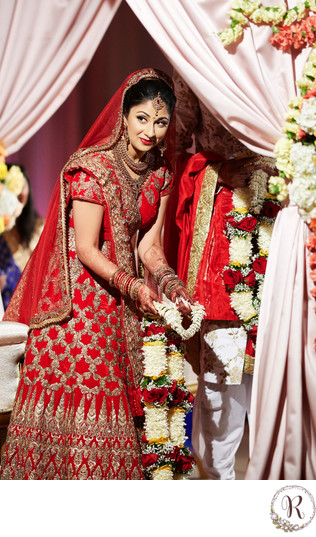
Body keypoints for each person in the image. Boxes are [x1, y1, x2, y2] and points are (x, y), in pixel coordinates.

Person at [0, 68, 192, 480]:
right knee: (96, 408)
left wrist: (173, 287)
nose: (151, 131)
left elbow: (148, 246)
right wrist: (136, 286)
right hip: (84, 306)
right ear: (124, 116)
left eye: (161, 122)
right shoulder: (93, 168)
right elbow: (86, 248)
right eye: (142, 118)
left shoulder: (160, 171)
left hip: (126, 297)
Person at [169, 70, 275, 480]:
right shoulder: (197, 41)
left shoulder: (289, 42)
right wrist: (215, 174)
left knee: (280, 367)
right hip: (225, 210)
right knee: (223, 377)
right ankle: (218, 495)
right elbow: (178, 140)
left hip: (285, 211)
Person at [0, 165, 44, 309]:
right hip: (8, 311)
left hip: (39, 306)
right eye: (11, 188)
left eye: (21, 187)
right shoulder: (2, 232)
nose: (17, 193)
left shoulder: (41, 227)